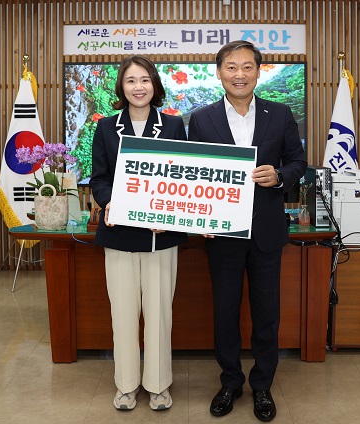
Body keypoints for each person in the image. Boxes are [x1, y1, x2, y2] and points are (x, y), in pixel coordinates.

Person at [187, 40, 307, 422]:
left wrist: (279, 176)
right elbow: (193, 172)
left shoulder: (280, 113)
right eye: (231, 67)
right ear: (219, 72)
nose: (239, 74)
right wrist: (199, 218)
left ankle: (262, 385)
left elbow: (298, 162)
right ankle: (230, 382)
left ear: (258, 71)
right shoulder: (201, 119)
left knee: (266, 313)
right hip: (222, 231)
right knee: (224, 312)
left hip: (267, 230)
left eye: (247, 67)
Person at [90, 55, 188, 411]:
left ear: (154, 84)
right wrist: (112, 202)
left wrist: (169, 213)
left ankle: (159, 385)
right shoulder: (106, 127)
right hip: (119, 234)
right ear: (122, 86)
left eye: (145, 79)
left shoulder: (173, 126)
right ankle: (126, 385)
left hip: (161, 236)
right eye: (131, 80)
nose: (138, 87)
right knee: (123, 315)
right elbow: (99, 179)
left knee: (160, 315)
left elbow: (182, 176)